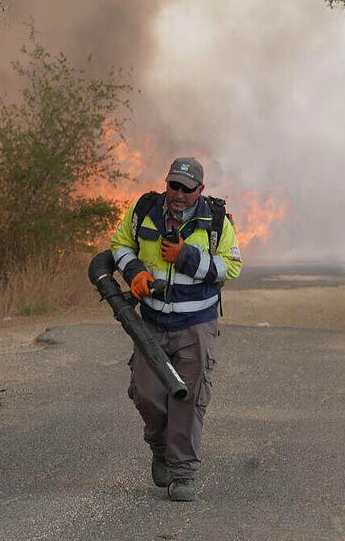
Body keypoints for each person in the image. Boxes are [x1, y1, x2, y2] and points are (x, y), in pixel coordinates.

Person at [110, 157, 242, 502]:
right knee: (146, 392)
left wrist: (187, 257)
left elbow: (232, 267)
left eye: (186, 188)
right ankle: (160, 447)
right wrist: (135, 271)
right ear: (166, 184)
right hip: (150, 324)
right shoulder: (144, 210)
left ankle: (183, 474)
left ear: (200, 189)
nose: (178, 194)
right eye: (173, 186)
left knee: (188, 397)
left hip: (195, 325)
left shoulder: (214, 221)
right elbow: (120, 244)